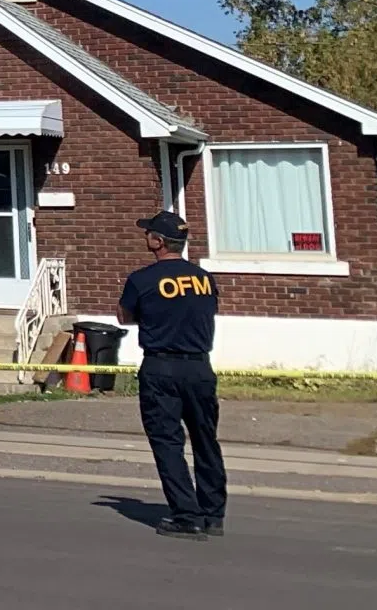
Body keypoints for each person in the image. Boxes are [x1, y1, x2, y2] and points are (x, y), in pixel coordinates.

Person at [119, 210, 226, 538]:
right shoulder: (204, 278)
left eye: (148, 232)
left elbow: (125, 316)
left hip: (161, 367)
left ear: (158, 241)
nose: (145, 236)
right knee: (205, 440)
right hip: (199, 367)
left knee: (168, 442)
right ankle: (213, 514)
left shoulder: (142, 279)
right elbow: (205, 311)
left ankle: (186, 515)